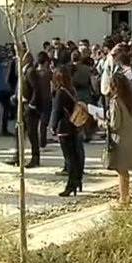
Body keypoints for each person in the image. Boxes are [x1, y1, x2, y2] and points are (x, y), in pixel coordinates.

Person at [104, 72, 132, 206]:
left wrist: (102, 122)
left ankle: (124, 198)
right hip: (130, 136)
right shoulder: (128, 98)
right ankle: (125, 195)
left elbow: (115, 124)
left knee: (121, 170)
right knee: (124, 170)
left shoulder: (115, 101)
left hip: (120, 139)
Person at [50, 68, 85, 196]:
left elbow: (56, 111)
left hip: (64, 128)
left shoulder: (60, 92)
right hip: (75, 125)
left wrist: (52, 126)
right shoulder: (72, 90)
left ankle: (71, 184)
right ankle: (78, 181)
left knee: (69, 158)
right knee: (77, 155)